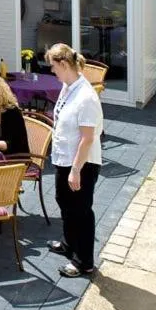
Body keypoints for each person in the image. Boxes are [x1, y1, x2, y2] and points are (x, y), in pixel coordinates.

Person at [45, 43, 104, 278]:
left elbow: (88, 138)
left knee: (80, 210)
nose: (52, 71)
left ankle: (84, 261)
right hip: (64, 157)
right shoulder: (68, 87)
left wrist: (76, 170)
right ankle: (68, 244)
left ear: (64, 64)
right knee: (64, 202)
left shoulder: (86, 97)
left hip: (81, 163)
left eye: (53, 67)